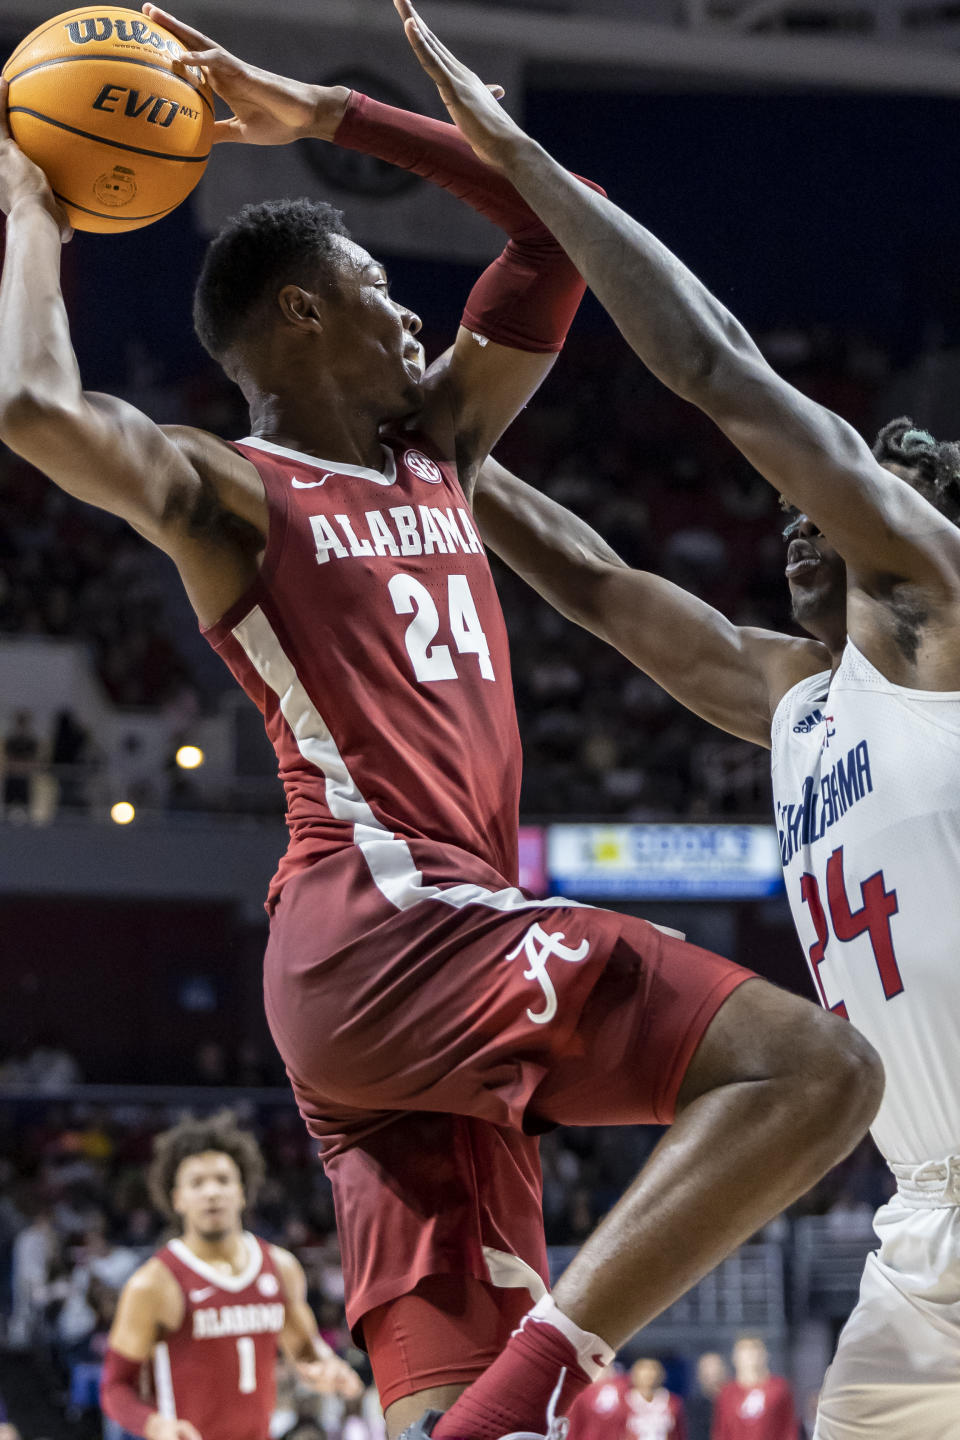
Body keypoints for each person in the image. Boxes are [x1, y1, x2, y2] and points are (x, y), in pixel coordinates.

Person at [0, 11, 882, 1439]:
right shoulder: (236, 492)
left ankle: (505, 1401)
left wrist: (331, 115)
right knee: (818, 1068)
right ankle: (556, 1374)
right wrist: (32, 211)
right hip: (394, 928)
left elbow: (560, 232)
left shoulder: (441, 450)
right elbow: (33, 405)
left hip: (407, 993)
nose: (416, 317)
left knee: (455, 1411)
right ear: (301, 315)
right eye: (374, 287)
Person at [395, 6, 960, 1437]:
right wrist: (422, 444)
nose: (796, 529)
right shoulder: (793, 695)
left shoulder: (937, 613)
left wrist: (534, 175)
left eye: (826, 511)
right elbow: (597, 584)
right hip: (920, 1225)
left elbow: (718, 373)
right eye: (787, 518)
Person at [100, 1112, 362, 1440]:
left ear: (242, 1191)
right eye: (197, 1183)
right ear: (176, 1198)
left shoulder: (281, 1267)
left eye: (223, 1180)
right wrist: (155, 1425)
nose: (212, 1192)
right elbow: (114, 1388)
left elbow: (305, 1350)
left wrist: (326, 1367)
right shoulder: (154, 1283)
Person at [712, 1340, 797, 1440]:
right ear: (735, 1358)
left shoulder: (779, 1388)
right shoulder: (727, 1393)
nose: (750, 1357)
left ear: (765, 1355)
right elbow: (721, 1431)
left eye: (754, 1350)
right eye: (745, 1351)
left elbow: (789, 1428)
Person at [686, 1355, 728, 1440]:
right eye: (708, 1374)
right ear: (700, 1376)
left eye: (717, 1373)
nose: (714, 1378)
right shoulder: (691, 1408)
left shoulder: (735, 1404)